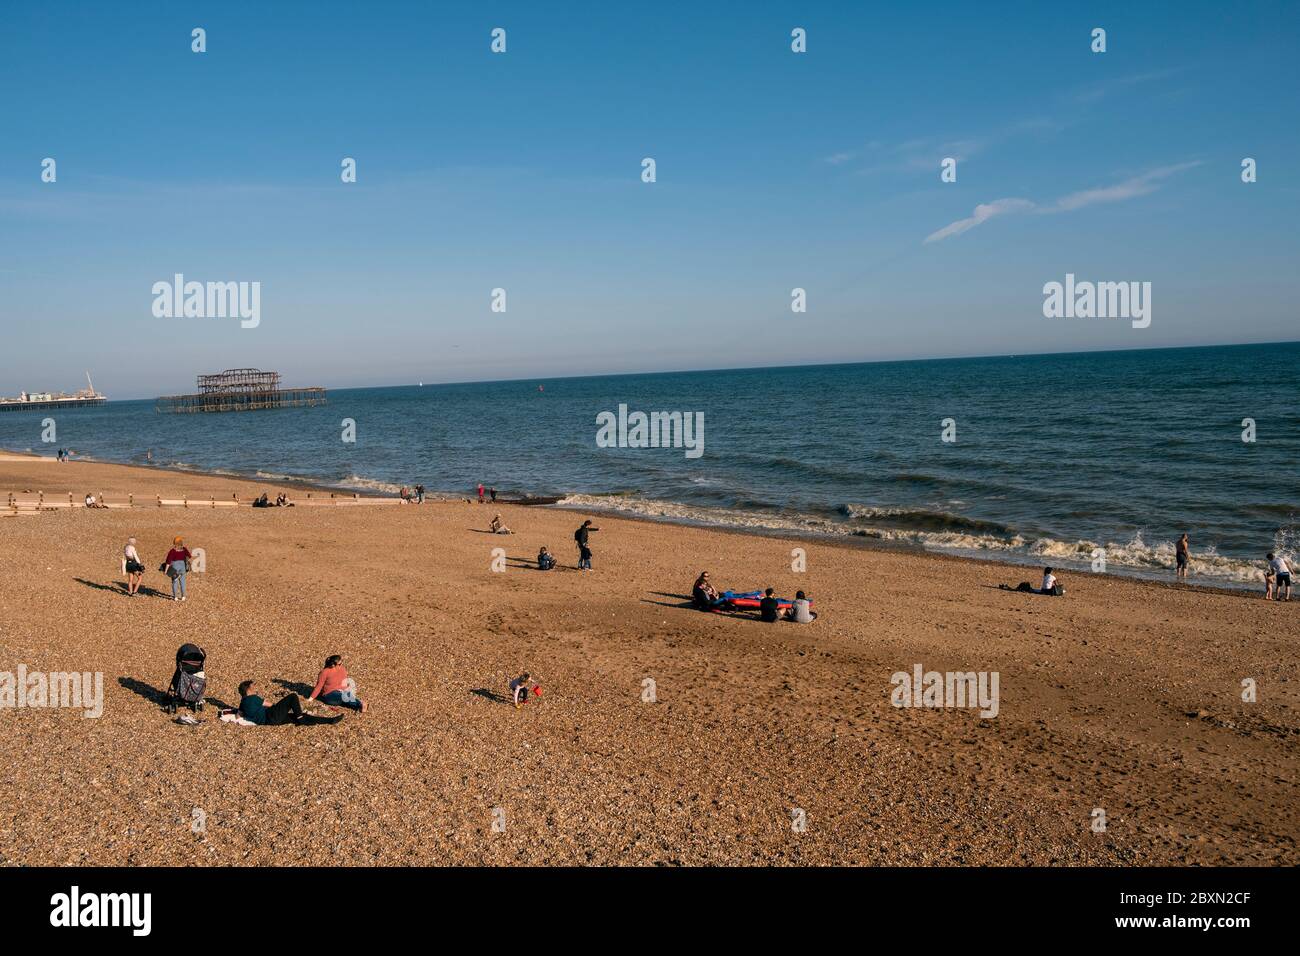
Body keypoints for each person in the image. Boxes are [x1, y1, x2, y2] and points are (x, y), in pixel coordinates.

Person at [238, 680, 342, 726]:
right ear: (248, 690)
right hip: (271, 715)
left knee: (297, 716)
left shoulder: (242, 703)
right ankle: (302, 719)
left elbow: (239, 715)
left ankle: (330, 720)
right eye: (253, 687)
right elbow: (269, 704)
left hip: (270, 722)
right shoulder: (254, 698)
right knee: (292, 697)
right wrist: (281, 707)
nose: (255, 688)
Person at [163, 536, 192, 602]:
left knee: (174, 581)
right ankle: (183, 597)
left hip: (175, 566)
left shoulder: (172, 551)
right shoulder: (184, 549)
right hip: (182, 566)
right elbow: (189, 556)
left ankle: (175, 597)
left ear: (174, 542)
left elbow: (168, 562)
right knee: (183, 582)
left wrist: (166, 570)